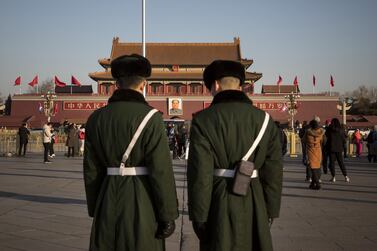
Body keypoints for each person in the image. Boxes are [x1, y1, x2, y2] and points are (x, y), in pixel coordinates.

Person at [84, 54, 178, 250]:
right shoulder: (152, 118)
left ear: (116, 84)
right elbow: (161, 171)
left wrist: (96, 206)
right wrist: (168, 214)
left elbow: (91, 170)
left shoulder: (96, 118)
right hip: (141, 198)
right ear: (143, 84)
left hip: (107, 195)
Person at [187, 60, 283, 250]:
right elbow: (273, 170)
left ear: (215, 84)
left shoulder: (202, 120)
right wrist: (271, 210)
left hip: (218, 200)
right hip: (254, 198)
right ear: (241, 85)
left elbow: (200, 174)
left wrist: (199, 215)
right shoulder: (264, 120)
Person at [303, 120, 325, 190]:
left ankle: (317, 184)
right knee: (317, 166)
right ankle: (312, 184)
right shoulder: (321, 132)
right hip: (318, 150)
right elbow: (323, 141)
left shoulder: (308, 132)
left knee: (312, 167)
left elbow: (303, 140)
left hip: (310, 151)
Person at [327, 118, 350, 182]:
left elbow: (326, 137)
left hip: (331, 148)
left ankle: (333, 177)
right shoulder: (341, 130)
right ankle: (346, 176)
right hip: (339, 148)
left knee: (332, 163)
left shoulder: (329, 129)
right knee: (341, 163)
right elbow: (344, 139)